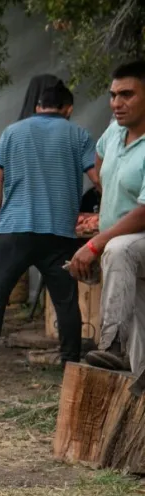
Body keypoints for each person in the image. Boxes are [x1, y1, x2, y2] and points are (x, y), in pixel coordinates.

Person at [0, 84, 98, 381]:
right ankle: (70, 366)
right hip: (59, 233)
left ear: (38, 107)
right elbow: (97, 177)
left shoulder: (12, 132)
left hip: (14, 229)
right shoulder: (78, 135)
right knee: (65, 301)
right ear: (68, 109)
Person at [69, 61, 145, 395]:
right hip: (128, 250)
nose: (116, 102)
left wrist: (98, 241)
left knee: (117, 248)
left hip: (133, 242)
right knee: (141, 357)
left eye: (127, 94)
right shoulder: (114, 132)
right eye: (113, 95)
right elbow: (100, 163)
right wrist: (111, 199)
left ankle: (110, 344)